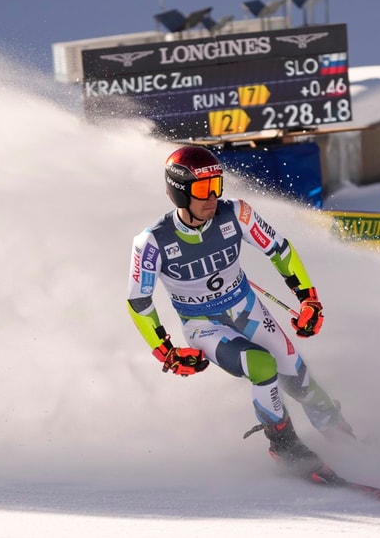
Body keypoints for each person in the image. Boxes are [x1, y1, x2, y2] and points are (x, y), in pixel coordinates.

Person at [126, 145, 352, 484]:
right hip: (204, 325)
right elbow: (139, 300)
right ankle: (284, 446)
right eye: (202, 190)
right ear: (178, 192)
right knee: (262, 365)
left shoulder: (238, 214)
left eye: (216, 185)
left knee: (298, 375)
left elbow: (280, 250)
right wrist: (167, 351)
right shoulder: (152, 242)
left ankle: (344, 439)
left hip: (248, 308)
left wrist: (309, 300)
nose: (212, 198)